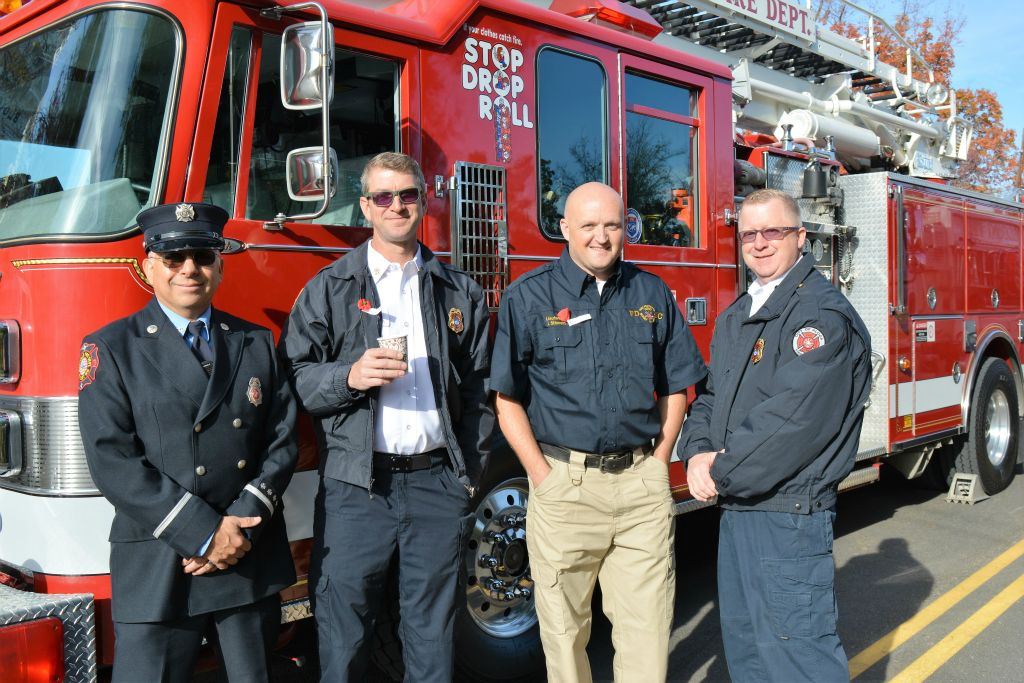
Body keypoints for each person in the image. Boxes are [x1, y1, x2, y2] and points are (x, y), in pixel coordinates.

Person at [278, 152, 492, 682]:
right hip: (357, 489)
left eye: (408, 195)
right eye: (383, 197)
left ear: (425, 201)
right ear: (365, 208)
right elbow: (296, 379)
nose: (396, 206)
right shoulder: (329, 288)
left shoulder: (459, 290)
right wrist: (348, 377)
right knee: (344, 634)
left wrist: (467, 480)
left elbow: (484, 392)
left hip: (436, 484)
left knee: (431, 634)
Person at [490, 182, 707, 682]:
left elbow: (678, 384)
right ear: (564, 229)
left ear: (624, 227)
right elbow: (507, 398)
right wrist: (541, 476)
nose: (601, 237)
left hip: (640, 488)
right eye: (588, 225)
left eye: (611, 225)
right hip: (566, 487)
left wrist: (660, 462)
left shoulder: (651, 293)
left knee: (647, 631)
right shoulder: (529, 297)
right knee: (564, 637)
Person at [78, 202, 298, 682]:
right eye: (173, 258)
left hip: (244, 556)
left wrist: (235, 532)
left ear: (219, 265)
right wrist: (202, 533)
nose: (189, 270)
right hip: (160, 559)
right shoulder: (111, 348)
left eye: (202, 256)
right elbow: (111, 458)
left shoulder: (255, 342)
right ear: (148, 267)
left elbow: (281, 440)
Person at [678, 188, 871, 682]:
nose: (760, 243)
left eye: (774, 231)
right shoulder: (736, 316)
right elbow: (710, 397)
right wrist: (696, 453)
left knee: (798, 659)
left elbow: (792, 421)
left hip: (787, 515)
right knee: (749, 655)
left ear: (800, 237)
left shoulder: (820, 317)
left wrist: (717, 471)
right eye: (749, 234)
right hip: (739, 511)